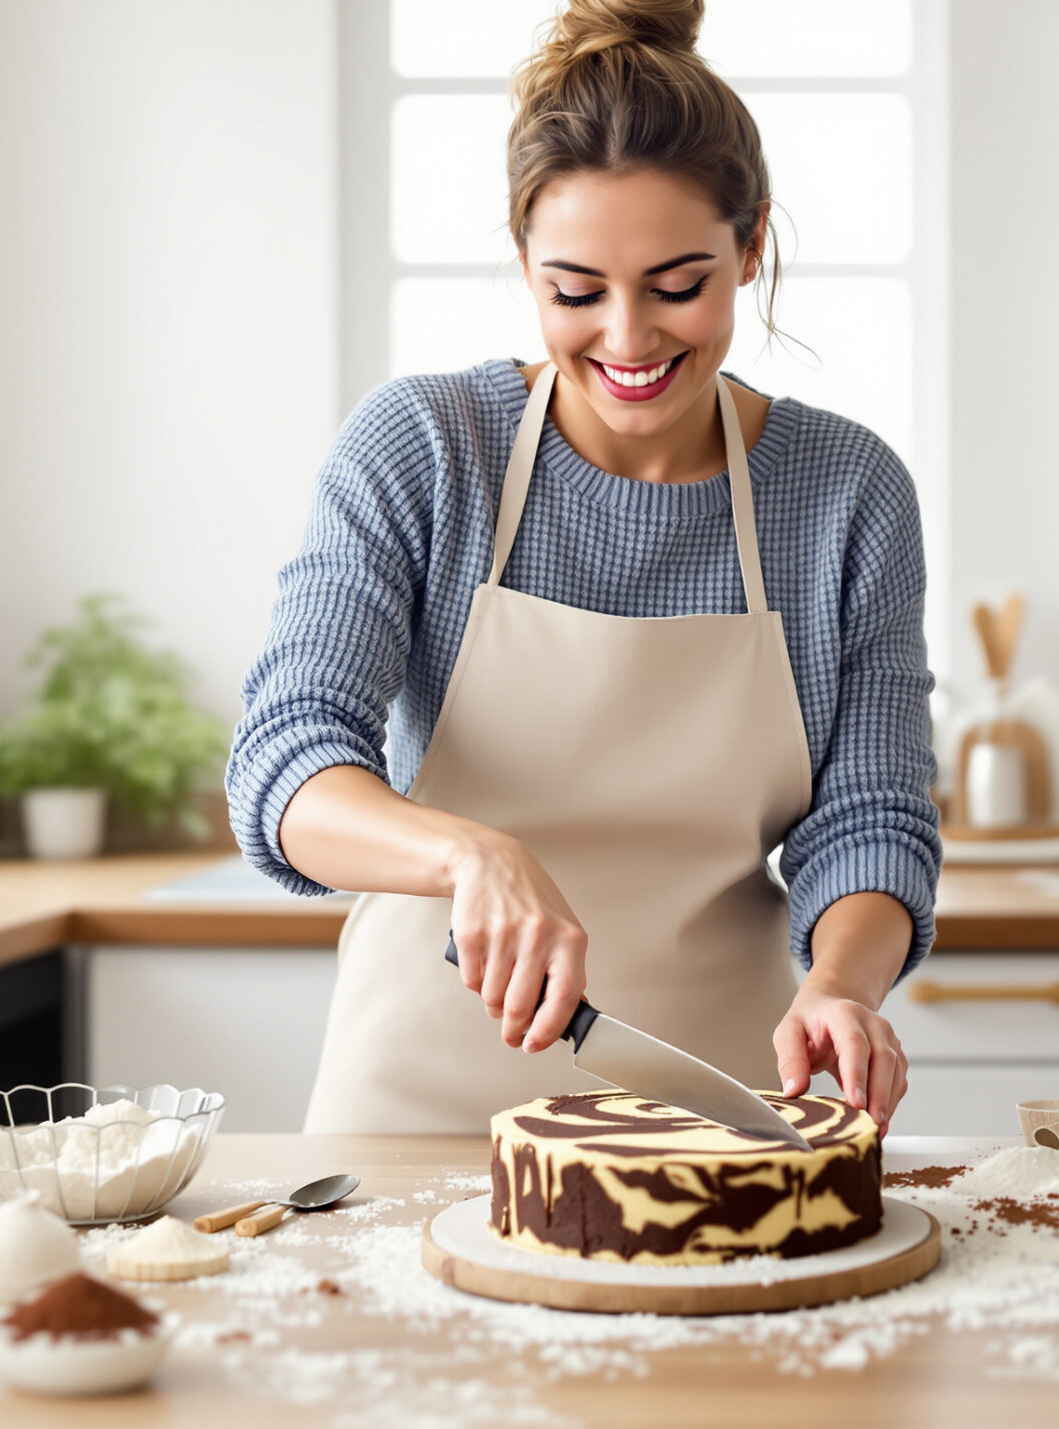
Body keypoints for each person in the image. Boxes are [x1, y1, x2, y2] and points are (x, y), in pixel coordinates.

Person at [228, 0, 938, 1135]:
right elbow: (287, 761)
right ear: (524, 263)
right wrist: (470, 854)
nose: (627, 338)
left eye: (677, 285)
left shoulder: (845, 490)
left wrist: (844, 985)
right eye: (575, 292)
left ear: (752, 245)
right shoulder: (426, 448)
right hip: (412, 1109)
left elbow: (869, 816)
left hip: (713, 1109)